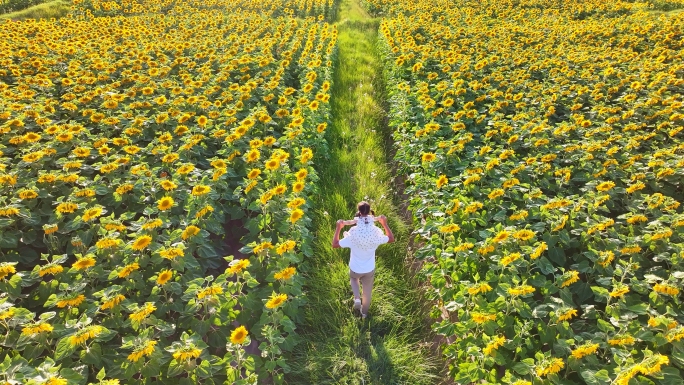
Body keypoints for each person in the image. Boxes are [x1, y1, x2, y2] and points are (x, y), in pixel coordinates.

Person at [332, 201, 394, 319]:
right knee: (367, 293)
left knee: (354, 278)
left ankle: (356, 298)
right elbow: (391, 239)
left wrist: (338, 228)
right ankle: (364, 314)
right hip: (369, 268)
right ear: (370, 213)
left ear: (358, 214)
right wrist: (384, 224)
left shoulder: (353, 233)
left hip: (355, 267)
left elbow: (335, 244)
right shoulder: (376, 233)